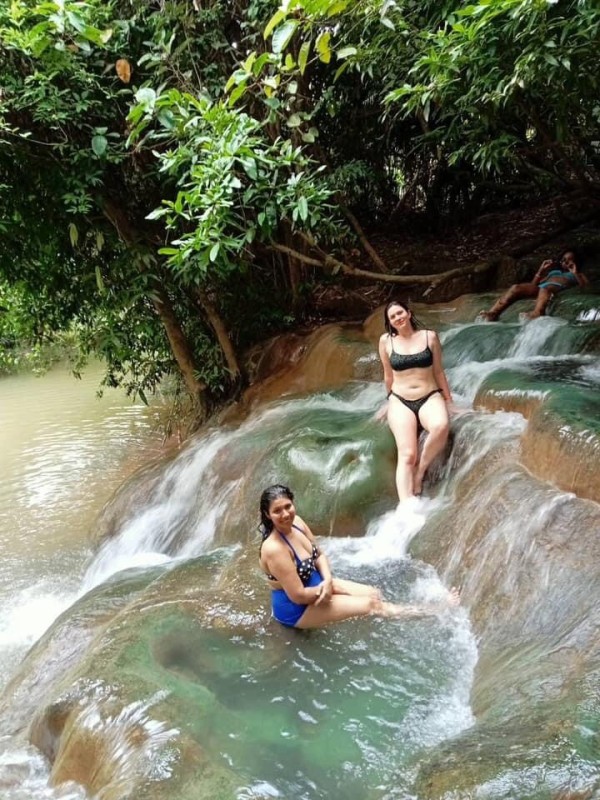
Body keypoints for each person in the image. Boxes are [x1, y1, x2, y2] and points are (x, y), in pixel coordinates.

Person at [258, 485, 459, 629]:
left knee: (374, 594)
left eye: (288, 506)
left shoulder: (297, 523)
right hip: (296, 609)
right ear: (268, 515)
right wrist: (327, 590)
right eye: (277, 511)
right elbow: (298, 595)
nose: (285, 514)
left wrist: (328, 580)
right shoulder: (275, 549)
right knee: (372, 605)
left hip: (320, 584)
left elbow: (319, 555)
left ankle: (359, 613)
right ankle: (435, 610)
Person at [377, 300, 453, 503]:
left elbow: (439, 371)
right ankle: (406, 507)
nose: (397, 318)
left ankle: (419, 472)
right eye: (392, 317)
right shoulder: (386, 341)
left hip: (429, 396)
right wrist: (389, 401)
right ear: (389, 322)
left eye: (400, 313)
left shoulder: (429, 337)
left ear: (409, 313)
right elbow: (388, 376)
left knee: (440, 426)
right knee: (407, 454)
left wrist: (448, 400)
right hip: (400, 400)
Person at [478, 249, 589, 322]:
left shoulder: (579, 274)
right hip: (542, 288)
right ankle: (493, 313)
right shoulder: (553, 273)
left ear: (576, 261)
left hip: (551, 289)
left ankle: (538, 313)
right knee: (516, 287)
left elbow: (585, 287)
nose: (566, 262)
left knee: (545, 288)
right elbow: (532, 285)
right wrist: (541, 270)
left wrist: (575, 273)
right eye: (564, 260)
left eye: (570, 260)